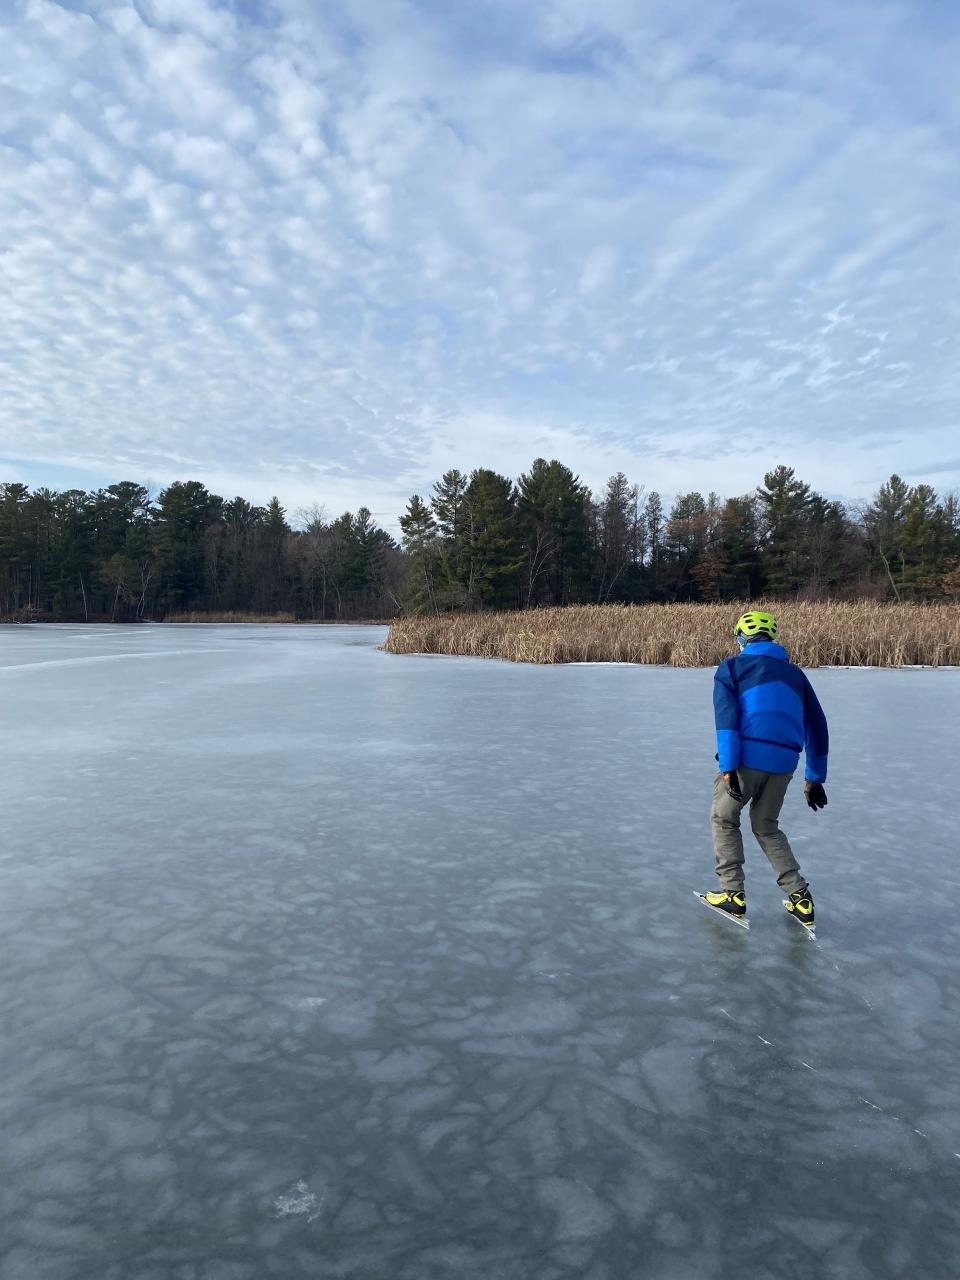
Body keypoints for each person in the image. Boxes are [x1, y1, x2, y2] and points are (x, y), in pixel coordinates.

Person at [702, 610, 828, 928]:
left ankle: (732, 894)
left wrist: (729, 766)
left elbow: (727, 719)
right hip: (784, 763)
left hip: (746, 759)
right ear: (772, 638)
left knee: (724, 818)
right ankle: (799, 896)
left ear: (741, 639)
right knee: (766, 825)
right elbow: (817, 726)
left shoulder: (732, 667)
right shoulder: (795, 674)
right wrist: (814, 778)